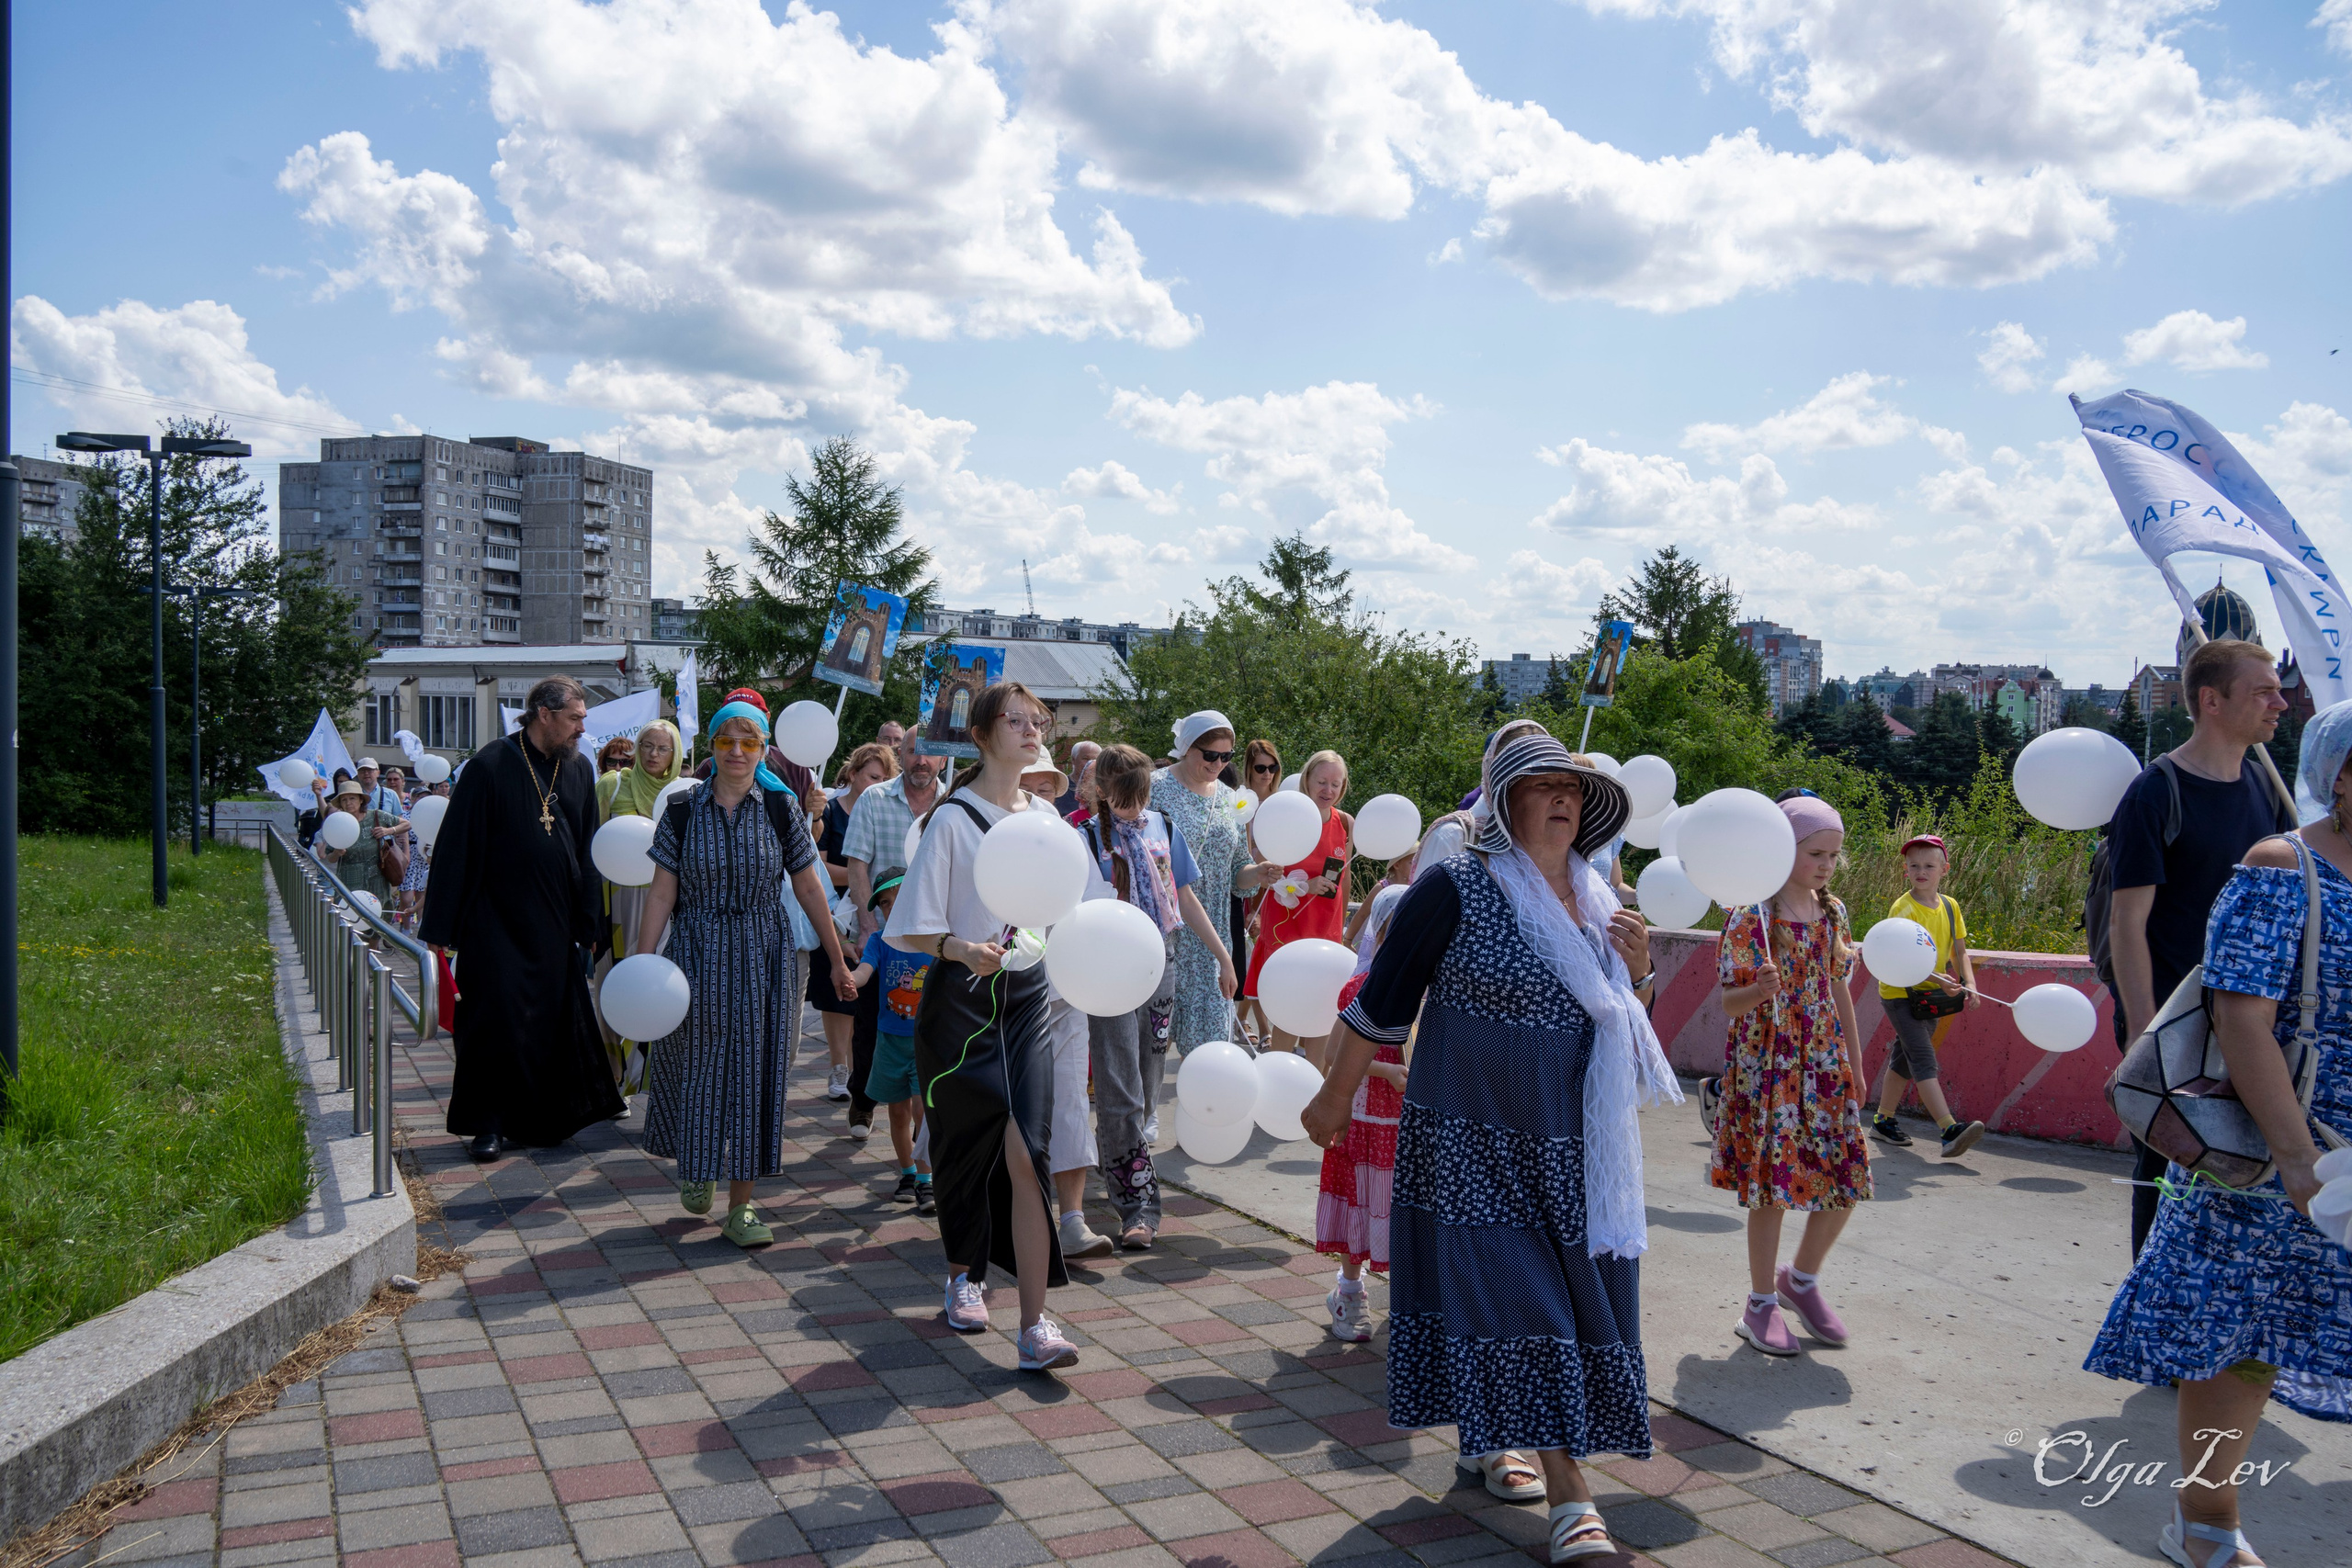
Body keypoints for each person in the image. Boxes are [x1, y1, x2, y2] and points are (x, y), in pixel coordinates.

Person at [1301, 733, 1673, 1558]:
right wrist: (1334, 1096)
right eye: (1542, 785)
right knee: (1521, 1300)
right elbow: (1381, 1002)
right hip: (1471, 1138)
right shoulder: (1456, 885)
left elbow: (1627, 1026)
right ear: (1504, 802)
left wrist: (1641, 970)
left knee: (1559, 1304)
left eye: (1572, 787)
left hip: (1575, 1150)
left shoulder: (1602, 902)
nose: (1562, 797)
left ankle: (1493, 1432)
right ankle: (1571, 1496)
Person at [2083, 698, 2352, 1568]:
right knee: (2238, 1345)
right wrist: (2298, 1160)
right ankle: (2205, 1524)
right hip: (2286, 1153)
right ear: (2342, 774)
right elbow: (2242, 1018)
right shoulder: (2283, 866)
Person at [882, 681, 1081, 1372]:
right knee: (965, 1149)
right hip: (961, 1003)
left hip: (1028, 1000)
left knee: (1029, 1152)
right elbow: (912, 926)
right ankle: (963, 1275)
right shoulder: (953, 819)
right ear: (981, 734)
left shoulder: (1048, 820)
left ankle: (1033, 1325)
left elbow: (1070, 910)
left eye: (1038, 721)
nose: (1031, 730)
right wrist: (962, 948)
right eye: (1015, 720)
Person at [635, 701, 859, 1247]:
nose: (737, 751)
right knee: (698, 1061)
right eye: (726, 741)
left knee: (757, 1071)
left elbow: (810, 887)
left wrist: (836, 959)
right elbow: (662, 892)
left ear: (763, 750)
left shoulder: (781, 808)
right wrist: (643, 963)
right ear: (711, 747)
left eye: (749, 742)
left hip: (764, 955)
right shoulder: (682, 810)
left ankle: (742, 1206)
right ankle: (698, 1166)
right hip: (695, 952)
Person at [2108, 637, 2295, 1256]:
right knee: (2165, 1173)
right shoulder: (2156, 792)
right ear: (2211, 701)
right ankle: (2148, 1301)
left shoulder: (2265, 786)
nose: (2280, 704)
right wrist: (2144, 1033)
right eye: (2263, 692)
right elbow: (2127, 923)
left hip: (2249, 1018)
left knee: (2239, 1174)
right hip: (2175, 1022)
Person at [420, 677, 626, 1162]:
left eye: (583, 719)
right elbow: (456, 846)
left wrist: (589, 920)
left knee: (546, 1021)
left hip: (554, 920)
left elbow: (588, 846)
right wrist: (440, 928)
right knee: (494, 1021)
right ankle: (488, 1124)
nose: (582, 729)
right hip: (494, 919)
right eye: (574, 718)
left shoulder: (577, 769)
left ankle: (539, 1119)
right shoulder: (490, 765)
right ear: (543, 714)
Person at [1711, 795, 1870, 1359]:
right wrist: (1759, 990)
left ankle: (1800, 1280)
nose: (1827, 865)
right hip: (1769, 1064)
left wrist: (1855, 1062)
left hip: (1823, 1059)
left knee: (1847, 1173)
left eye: (1834, 855)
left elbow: (1838, 989)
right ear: (1782, 848)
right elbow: (1729, 1003)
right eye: (1815, 853)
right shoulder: (1750, 914)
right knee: (1773, 1185)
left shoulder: (1833, 912)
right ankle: (1760, 1304)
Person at [1080, 745, 1237, 1250]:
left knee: (1148, 1085)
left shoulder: (1163, 827)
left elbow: (1184, 896)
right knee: (1119, 1090)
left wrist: (1223, 957)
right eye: (1123, 797)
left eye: (1141, 794)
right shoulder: (1085, 838)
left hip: (1162, 962)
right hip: (1109, 971)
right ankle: (1138, 1209)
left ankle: (1116, 1154)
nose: (1134, 806)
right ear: (1103, 792)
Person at [1150, 713, 1282, 1058]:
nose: (1218, 763)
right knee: (1149, 1052)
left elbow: (1237, 871)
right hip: (1163, 934)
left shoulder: (1229, 798)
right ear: (1186, 748)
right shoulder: (1153, 787)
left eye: (1226, 756)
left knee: (1209, 1054)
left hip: (1212, 945)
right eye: (1210, 755)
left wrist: (1258, 872)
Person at [1022, 756, 1111, 1259]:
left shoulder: (1071, 842)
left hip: (1064, 992)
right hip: (1000, 994)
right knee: (1005, 1106)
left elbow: (1094, 906)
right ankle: (1003, 1214)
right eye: (1027, 787)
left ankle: (1073, 1219)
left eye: (1046, 789)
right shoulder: (979, 834)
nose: (1038, 799)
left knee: (1072, 1102)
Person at [1316, 883, 1410, 1345]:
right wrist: (1386, 1072)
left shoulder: (1433, 995)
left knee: (1403, 1208)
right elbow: (1333, 1054)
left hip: (1406, 1128)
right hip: (1364, 1123)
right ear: (1384, 935)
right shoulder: (1362, 988)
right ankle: (1349, 1291)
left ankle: (1412, 1300)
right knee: (1359, 1202)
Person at [1869, 833, 1986, 1157]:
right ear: (1905, 869)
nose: (1921, 871)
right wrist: (1940, 980)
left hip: (1931, 995)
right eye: (1914, 866)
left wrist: (1969, 982)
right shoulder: (1902, 908)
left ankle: (1883, 1121)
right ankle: (1949, 1130)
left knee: (1904, 1061)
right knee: (1922, 1058)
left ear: (1944, 869)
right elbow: (1898, 958)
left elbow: (1960, 951)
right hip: (1900, 994)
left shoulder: (1950, 906)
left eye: (1929, 866)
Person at [1245, 749, 1354, 1066]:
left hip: (1325, 934)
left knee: (1322, 1017)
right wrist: (1306, 885)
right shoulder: (1287, 815)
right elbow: (1265, 873)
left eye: (1336, 784)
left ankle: (1316, 1090)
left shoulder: (1345, 822)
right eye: (1322, 782)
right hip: (1288, 933)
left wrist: (1342, 932)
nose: (1328, 790)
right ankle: (1279, 1081)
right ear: (1307, 779)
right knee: (1289, 1016)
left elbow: (1345, 879)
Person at [594, 720, 684, 1099]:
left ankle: (646, 1080)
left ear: (675, 755)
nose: (652, 754)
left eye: (663, 748)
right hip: (614, 906)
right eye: (646, 745)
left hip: (668, 908)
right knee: (612, 987)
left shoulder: (684, 794)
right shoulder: (613, 785)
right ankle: (612, 1081)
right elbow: (590, 847)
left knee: (656, 990)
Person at [819, 741, 899, 1138]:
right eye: (872, 776)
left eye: (884, 777)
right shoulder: (841, 808)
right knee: (852, 1011)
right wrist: (862, 881)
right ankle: (849, 1080)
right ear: (852, 774)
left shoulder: (939, 802)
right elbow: (827, 866)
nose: (877, 783)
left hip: (900, 918)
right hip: (846, 916)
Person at [848, 868, 934, 1213]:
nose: (890, 906)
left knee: (921, 1110)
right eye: (883, 902)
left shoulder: (934, 939)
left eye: (896, 896)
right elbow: (865, 970)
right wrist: (851, 979)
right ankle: (908, 1174)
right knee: (898, 1113)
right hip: (889, 1042)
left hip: (925, 1042)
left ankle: (927, 1180)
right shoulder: (879, 941)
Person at [844, 723, 946, 951]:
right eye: (913, 751)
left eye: (930, 752)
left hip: (936, 940)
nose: (921, 761)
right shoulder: (873, 799)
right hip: (880, 938)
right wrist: (868, 928)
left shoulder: (953, 805)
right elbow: (856, 866)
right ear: (900, 755)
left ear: (943, 760)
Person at [319, 777, 405, 903]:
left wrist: (389, 830)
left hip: (377, 880)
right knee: (350, 911)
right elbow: (329, 858)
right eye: (344, 800)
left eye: (352, 798)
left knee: (378, 911)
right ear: (341, 804)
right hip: (349, 881)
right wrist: (336, 853)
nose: (348, 803)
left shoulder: (376, 815)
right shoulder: (338, 823)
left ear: (361, 800)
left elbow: (406, 824)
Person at [1054, 739, 1099, 817]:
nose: (1090, 763)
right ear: (1073, 760)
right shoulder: (1060, 787)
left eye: (1095, 760)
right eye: (1085, 758)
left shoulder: (1104, 790)